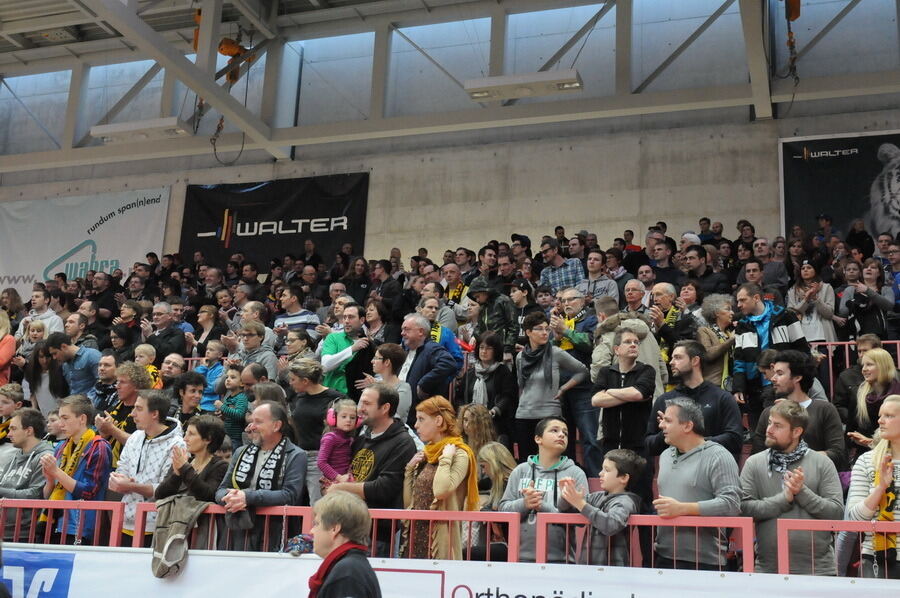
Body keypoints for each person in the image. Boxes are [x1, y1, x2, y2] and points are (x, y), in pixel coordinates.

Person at [740, 400, 843, 574]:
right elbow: (743, 508)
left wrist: (802, 493)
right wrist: (783, 499)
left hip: (819, 571)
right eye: (770, 423)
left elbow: (837, 513)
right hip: (768, 570)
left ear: (796, 432)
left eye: (778, 425)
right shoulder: (754, 463)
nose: (769, 429)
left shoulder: (822, 463)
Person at [653, 398, 741, 570]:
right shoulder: (664, 456)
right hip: (664, 556)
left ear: (687, 426)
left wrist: (684, 509)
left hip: (706, 561)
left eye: (668, 421)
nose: (661, 425)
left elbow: (732, 503)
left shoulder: (718, 456)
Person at [216, 401, 307, 551]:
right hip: (236, 531)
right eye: (251, 421)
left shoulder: (296, 455)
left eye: (258, 422)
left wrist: (247, 497)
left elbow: (290, 495)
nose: (251, 427)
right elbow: (221, 490)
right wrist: (232, 498)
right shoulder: (240, 452)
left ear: (276, 426)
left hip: (274, 533)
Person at [499, 417, 587, 563]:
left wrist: (550, 506)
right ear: (538, 439)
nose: (561, 435)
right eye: (554, 430)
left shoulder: (575, 473)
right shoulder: (520, 471)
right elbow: (503, 511)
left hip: (561, 561)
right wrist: (525, 504)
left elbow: (582, 520)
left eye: (565, 433)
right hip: (519, 559)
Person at [403, 396, 478, 560]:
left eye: (421, 419)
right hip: (415, 536)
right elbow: (409, 504)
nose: (416, 425)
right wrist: (409, 471)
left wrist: (446, 459)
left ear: (438, 420)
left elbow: (441, 491)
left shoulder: (459, 453)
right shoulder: (428, 454)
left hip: (441, 540)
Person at [110, 389, 185, 547]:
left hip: (156, 525)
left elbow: (166, 488)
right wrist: (118, 480)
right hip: (125, 521)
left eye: (139, 408)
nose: (132, 414)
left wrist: (130, 485)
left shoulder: (177, 444)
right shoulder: (135, 437)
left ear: (154, 414)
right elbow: (121, 468)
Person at [646, 341, 743, 460]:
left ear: (695, 361)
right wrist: (667, 432)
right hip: (677, 471)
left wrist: (695, 442)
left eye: (678, 357)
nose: (671, 362)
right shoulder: (665, 400)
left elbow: (735, 439)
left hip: (710, 469)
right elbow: (649, 445)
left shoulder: (722, 398)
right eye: (672, 358)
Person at [733, 283, 809, 434]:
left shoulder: (786, 316)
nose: (738, 305)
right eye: (738, 301)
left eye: (742, 300)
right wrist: (739, 387)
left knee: (785, 431)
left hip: (784, 384)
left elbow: (802, 350)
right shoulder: (741, 325)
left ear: (756, 298)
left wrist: (802, 379)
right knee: (758, 434)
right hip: (754, 386)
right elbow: (739, 359)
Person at [751, 350, 846, 470]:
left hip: (814, 481)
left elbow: (837, 453)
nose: (773, 378)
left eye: (780, 374)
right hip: (774, 482)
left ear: (797, 377)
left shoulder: (824, 409)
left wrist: (798, 459)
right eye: (774, 373)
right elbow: (757, 455)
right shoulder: (769, 412)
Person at [514, 312, 588, 462]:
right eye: (539, 329)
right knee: (527, 463)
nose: (544, 333)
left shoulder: (555, 353)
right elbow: (521, 384)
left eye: (547, 329)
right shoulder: (520, 357)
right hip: (524, 414)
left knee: (551, 461)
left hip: (549, 414)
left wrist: (563, 388)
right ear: (528, 332)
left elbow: (582, 371)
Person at [40, 395, 113, 544]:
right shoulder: (61, 447)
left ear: (82, 419)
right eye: (60, 418)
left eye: (65, 418)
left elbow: (88, 491)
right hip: (54, 520)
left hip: (80, 525)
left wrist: (56, 472)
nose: (60, 424)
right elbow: (48, 494)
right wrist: (49, 479)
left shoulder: (98, 446)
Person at [558, 448, 645, 566]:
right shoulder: (597, 497)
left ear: (623, 478)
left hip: (614, 571)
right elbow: (564, 509)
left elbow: (611, 525)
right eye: (602, 468)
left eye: (607, 470)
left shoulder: (626, 502)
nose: (600, 473)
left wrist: (580, 504)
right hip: (589, 567)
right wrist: (566, 494)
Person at [845, 393, 900, 579]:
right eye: (880, 416)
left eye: (889, 416)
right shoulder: (867, 461)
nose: (880, 421)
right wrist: (880, 488)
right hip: (876, 558)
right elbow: (854, 519)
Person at [289, 359, 345, 505]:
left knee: (317, 503)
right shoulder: (299, 397)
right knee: (294, 502)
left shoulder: (334, 398)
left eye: (293, 379)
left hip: (321, 457)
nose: (290, 383)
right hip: (299, 455)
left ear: (305, 380)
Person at [308, 491, 382, 598]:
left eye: (317, 524)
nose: (312, 531)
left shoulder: (347, 574)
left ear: (334, 529)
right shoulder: (351, 568)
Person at [0, 408, 54, 540]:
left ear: (29, 431)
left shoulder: (45, 457)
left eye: (13, 429)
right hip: (4, 531)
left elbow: (36, 494)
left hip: (25, 535)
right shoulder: (15, 456)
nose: (8, 434)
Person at [457, 332, 517, 447]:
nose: (484, 351)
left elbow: (508, 396)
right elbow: (459, 397)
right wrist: (465, 412)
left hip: (495, 425)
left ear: (496, 351)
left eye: (489, 348)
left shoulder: (503, 372)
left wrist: (494, 411)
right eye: (481, 348)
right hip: (471, 425)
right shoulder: (470, 373)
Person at [155, 413, 228, 502]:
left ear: (208, 439)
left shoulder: (220, 466)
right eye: (186, 433)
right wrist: (176, 475)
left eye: (191, 434)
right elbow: (159, 495)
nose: (185, 439)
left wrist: (185, 469)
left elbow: (209, 496)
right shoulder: (183, 461)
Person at [400, 314, 459, 423]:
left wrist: (424, 383)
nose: (402, 333)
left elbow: (449, 364)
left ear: (421, 332)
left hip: (421, 418)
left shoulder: (431, 348)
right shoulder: (405, 350)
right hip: (404, 416)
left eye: (406, 329)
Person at [848, 347, 900, 451]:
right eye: (863, 365)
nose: (864, 369)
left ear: (883, 367)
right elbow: (851, 429)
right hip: (867, 455)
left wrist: (872, 443)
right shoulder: (858, 395)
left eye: (869, 364)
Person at [321, 304, 374, 398]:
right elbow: (325, 366)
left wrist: (372, 382)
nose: (346, 321)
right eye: (344, 317)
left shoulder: (368, 344)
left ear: (362, 320)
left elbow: (379, 372)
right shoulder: (333, 337)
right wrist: (352, 349)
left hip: (358, 396)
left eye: (351, 317)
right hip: (332, 395)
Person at [317, 398, 358, 496]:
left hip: (345, 481)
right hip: (331, 483)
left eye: (352, 417)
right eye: (344, 416)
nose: (348, 420)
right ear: (333, 418)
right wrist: (338, 477)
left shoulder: (351, 439)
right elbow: (321, 462)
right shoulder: (330, 438)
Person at [696, 293, 736, 389]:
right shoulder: (704, 330)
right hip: (712, 385)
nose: (732, 313)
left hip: (731, 385)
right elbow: (708, 354)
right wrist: (732, 340)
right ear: (716, 313)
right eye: (728, 309)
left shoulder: (730, 333)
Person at [20, 341, 69, 418]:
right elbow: (33, 394)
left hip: (60, 416)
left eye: (48, 356)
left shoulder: (61, 371)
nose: (45, 361)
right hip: (44, 417)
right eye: (41, 357)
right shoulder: (32, 373)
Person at [46, 332, 101, 396]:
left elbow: (102, 383)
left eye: (55, 353)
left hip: (91, 403)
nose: (54, 357)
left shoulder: (92, 355)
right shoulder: (65, 365)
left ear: (64, 346)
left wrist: (86, 400)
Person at [141, 302, 187, 367]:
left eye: (159, 314)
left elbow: (168, 352)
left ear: (169, 316)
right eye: (154, 314)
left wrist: (150, 336)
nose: (155, 317)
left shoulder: (177, 333)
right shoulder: (151, 331)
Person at [215, 364, 249, 449]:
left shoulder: (241, 397)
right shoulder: (229, 397)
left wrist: (222, 407)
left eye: (233, 377)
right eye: (227, 377)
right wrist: (222, 414)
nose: (228, 380)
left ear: (242, 383)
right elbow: (229, 414)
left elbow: (239, 414)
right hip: (227, 436)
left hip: (236, 439)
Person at [194, 340, 225, 412]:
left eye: (211, 350)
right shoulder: (201, 367)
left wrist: (198, 387)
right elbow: (192, 381)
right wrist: (203, 368)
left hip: (209, 406)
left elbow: (213, 388)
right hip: (195, 404)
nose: (207, 351)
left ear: (220, 355)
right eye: (207, 349)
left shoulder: (220, 369)